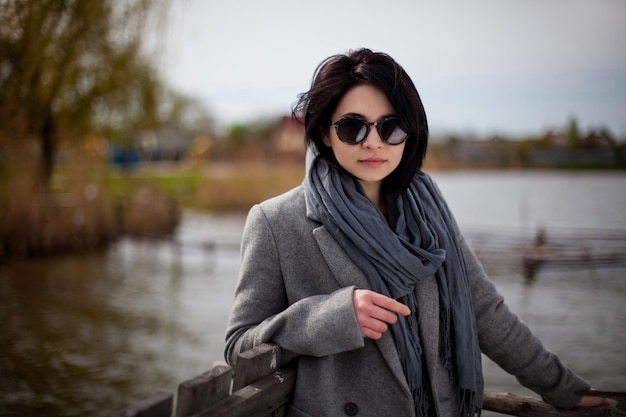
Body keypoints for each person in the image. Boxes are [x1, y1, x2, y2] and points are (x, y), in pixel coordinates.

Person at [224, 48, 608, 417]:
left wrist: (563, 387)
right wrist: (333, 317)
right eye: (353, 127)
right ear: (325, 133)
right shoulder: (275, 222)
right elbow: (239, 346)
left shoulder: (428, 209)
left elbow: (484, 311)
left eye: (390, 126)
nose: (373, 142)